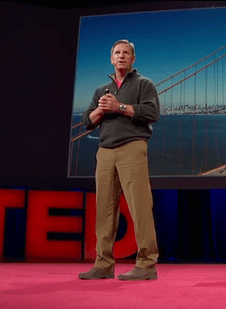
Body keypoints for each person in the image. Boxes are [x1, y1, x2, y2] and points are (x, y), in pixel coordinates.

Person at [78, 39, 160, 281]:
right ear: (111, 58)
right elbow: (87, 121)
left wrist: (119, 106)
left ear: (133, 59)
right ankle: (103, 264)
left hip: (132, 147)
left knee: (140, 207)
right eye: (117, 53)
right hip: (105, 151)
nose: (121, 56)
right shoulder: (101, 90)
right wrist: (101, 110)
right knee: (103, 210)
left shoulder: (144, 84)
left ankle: (147, 264)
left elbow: (152, 113)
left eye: (126, 53)